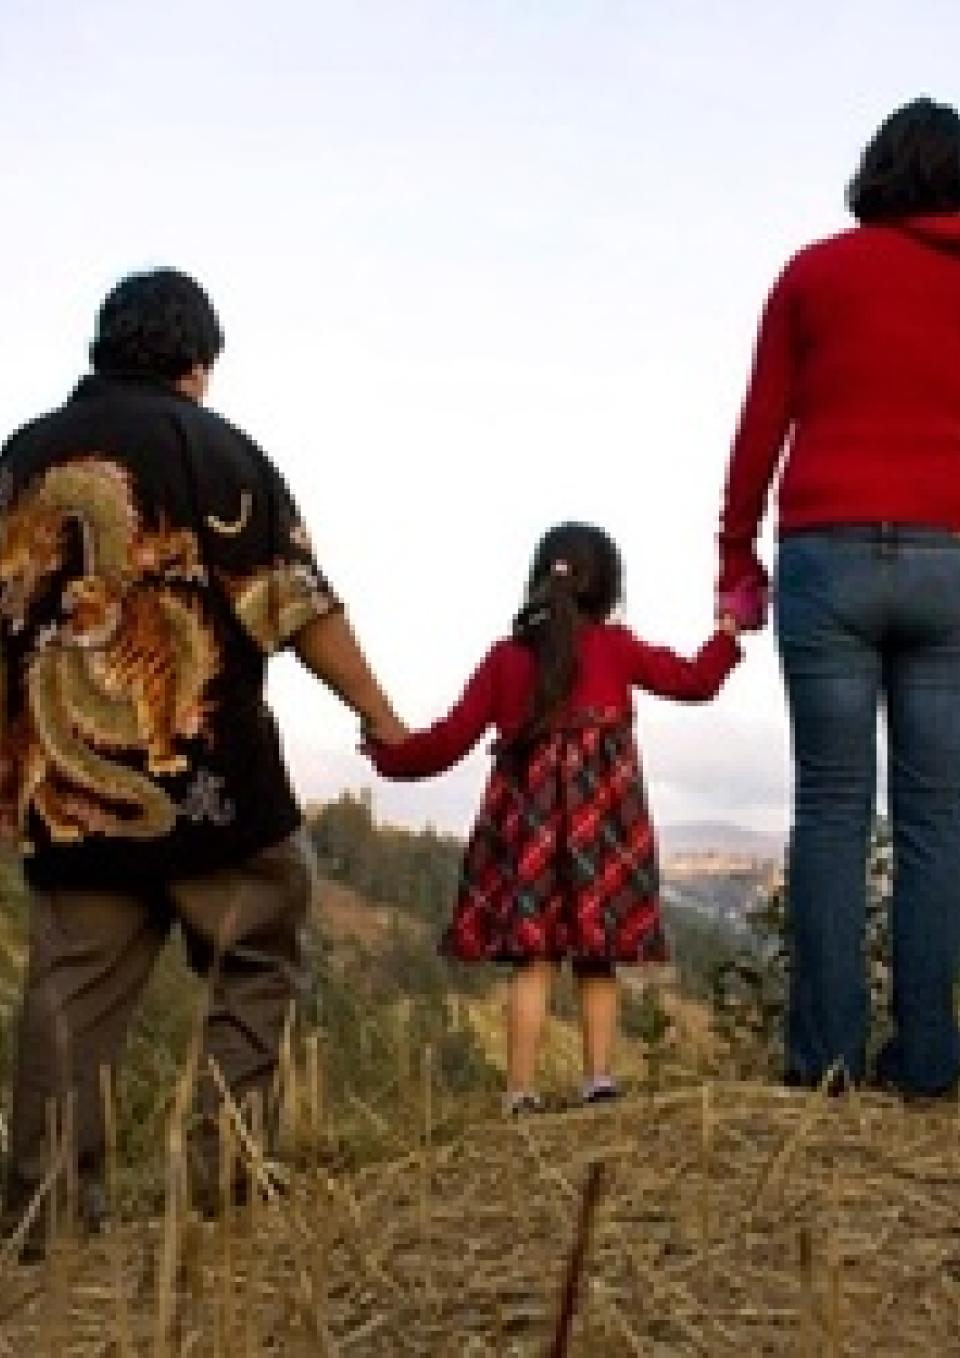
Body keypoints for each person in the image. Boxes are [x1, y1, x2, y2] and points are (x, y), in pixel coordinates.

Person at [0, 268, 405, 1255]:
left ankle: (43, 1228)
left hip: (69, 792)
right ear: (198, 364)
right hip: (213, 794)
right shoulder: (218, 450)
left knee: (66, 1004)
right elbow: (296, 602)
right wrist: (383, 720)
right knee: (258, 959)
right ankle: (219, 1191)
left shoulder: (19, 458)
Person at [717, 96, 960, 1097]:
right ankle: (932, 1061)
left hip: (828, 553)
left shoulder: (813, 272)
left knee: (830, 806)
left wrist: (737, 555)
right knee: (937, 818)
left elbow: (759, 426)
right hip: (954, 559)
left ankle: (824, 1062)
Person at [366, 522, 742, 1112]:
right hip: (604, 832)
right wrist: (727, 632)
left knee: (533, 961)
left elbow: (447, 741)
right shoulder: (616, 648)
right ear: (610, 591)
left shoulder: (506, 659)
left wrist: (390, 755)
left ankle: (519, 1091)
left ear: (538, 581)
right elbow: (696, 682)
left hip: (530, 835)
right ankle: (599, 1081)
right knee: (598, 960)